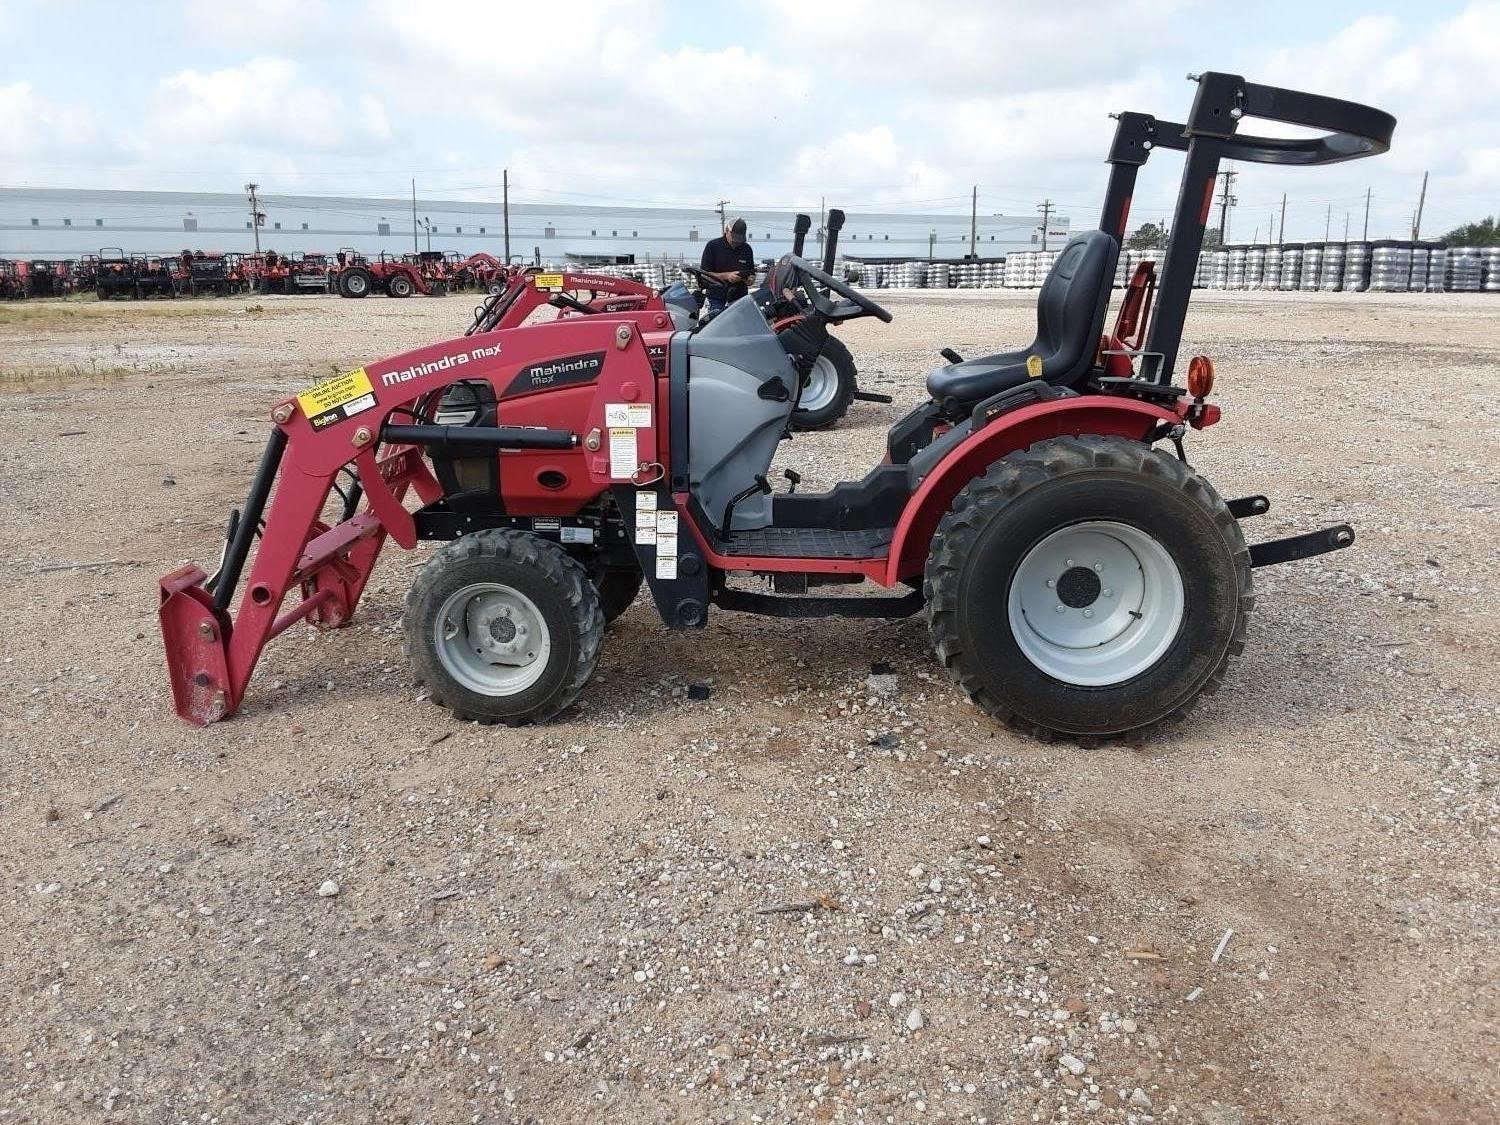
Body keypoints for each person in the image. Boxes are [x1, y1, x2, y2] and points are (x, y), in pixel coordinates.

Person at [699, 217, 756, 314]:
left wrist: (750, 279)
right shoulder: (713, 246)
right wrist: (727, 276)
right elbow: (704, 274)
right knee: (717, 323)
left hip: (739, 297)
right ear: (727, 231)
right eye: (734, 239)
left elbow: (751, 272)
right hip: (717, 297)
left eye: (740, 240)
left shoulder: (746, 249)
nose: (737, 243)